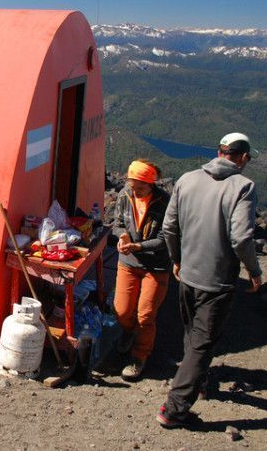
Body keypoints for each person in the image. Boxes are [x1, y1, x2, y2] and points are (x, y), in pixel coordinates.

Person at [156, 132, 263, 429]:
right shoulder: (243, 186)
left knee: (193, 335)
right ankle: (174, 410)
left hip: (187, 274)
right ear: (241, 157)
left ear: (219, 152)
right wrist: (254, 271)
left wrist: (177, 259)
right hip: (216, 281)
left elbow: (169, 226)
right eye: (248, 158)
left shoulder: (187, 179)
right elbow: (241, 237)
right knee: (203, 343)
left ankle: (198, 382)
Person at [112, 159, 170, 381]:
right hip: (128, 261)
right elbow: (117, 223)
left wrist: (138, 246)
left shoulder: (164, 202)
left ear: (151, 184)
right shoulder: (125, 194)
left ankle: (139, 356)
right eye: (133, 186)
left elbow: (165, 238)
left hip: (155, 265)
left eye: (141, 188)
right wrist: (123, 235)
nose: (135, 192)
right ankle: (129, 331)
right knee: (122, 311)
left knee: (145, 315)